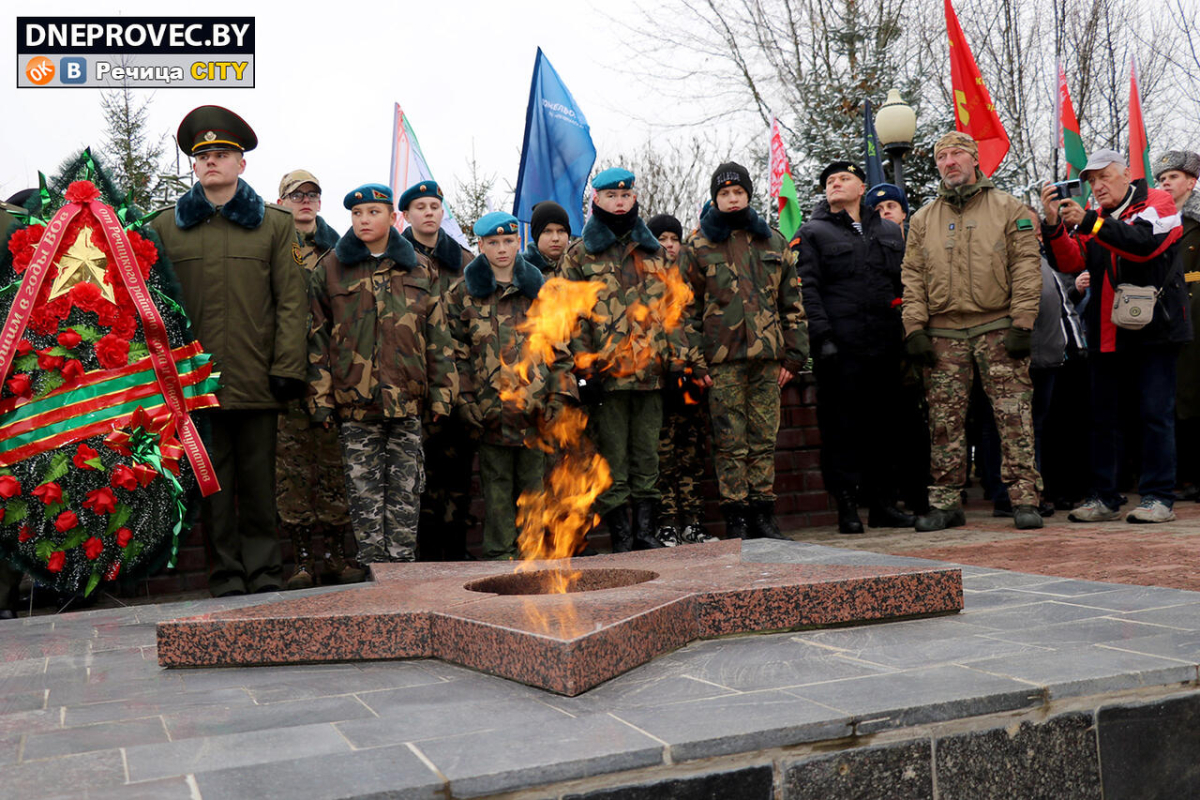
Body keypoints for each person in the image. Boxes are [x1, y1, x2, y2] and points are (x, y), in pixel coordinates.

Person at [150, 106, 308, 596]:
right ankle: (225, 575)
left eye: (222, 155)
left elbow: (291, 300)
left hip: (258, 376)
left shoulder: (275, 226)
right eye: (204, 157)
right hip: (195, 385)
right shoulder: (165, 227)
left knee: (259, 483)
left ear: (242, 164)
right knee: (211, 485)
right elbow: (157, 307)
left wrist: (287, 368)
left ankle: (263, 572)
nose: (212, 163)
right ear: (193, 166)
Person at [901, 131, 1044, 532]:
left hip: (998, 327)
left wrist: (1022, 322)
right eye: (942, 156)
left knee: (1013, 416)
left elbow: (1026, 269)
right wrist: (914, 328)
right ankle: (946, 503)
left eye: (957, 153)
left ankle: (1025, 499)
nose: (949, 162)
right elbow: (911, 277)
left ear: (974, 159)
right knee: (944, 422)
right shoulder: (923, 219)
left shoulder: (1007, 207)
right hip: (943, 334)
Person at [307, 184, 457, 563]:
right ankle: (374, 575)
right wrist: (320, 399)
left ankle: (402, 574)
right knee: (364, 496)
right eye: (357, 214)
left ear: (393, 218)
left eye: (373, 213)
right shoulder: (330, 269)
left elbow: (438, 336)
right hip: (355, 405)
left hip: (406, 402)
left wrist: (443, 394)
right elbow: (316, 339)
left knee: (406, 492)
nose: (364, 221)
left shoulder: (419, 268)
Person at [1041, 149, 1187, 523]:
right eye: (1092, 180)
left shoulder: (1158, 201)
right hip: (1106, 330)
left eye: (1105, 176)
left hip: (1155, 328)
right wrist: (1055, 224)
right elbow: (1071, 263)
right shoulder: (1097, 218)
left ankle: (1158, 497)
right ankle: (1104, 495)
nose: (1098, 186)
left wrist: (1090, 221)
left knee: (1155, 414)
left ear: (1127, 174)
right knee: (1103, 418)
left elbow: (1144, 246)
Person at [682, 162, 809, 539]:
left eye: (738, 192)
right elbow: (684, 309)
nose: (732, 199)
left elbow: (793, 304)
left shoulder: (772, 241)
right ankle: (737, 518)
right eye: (724, 194)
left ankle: (764, 516)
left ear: (749, 195)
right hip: (721, 363)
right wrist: (696, 361)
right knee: (730, 443)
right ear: (714, 198)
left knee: (764, 440)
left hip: (769, 361)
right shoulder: (698, 245)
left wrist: (794, 356)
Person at [559, 167, 682, 551]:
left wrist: (679, 364)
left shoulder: (655, 253)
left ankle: (645, 535)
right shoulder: (580, 254)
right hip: (606, 379)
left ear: (634, 198)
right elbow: (570, 317)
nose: (619, 202)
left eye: (625, 196)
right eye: (610, 196)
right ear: (596, 200)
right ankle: (622, 539)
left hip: (650, 375)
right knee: (611, 461)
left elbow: (676, 311)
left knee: (648, 458)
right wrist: (584, 369)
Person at [445, 211, 575, 559]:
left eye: (508, 241)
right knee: (497, 491)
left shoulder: (542, 292)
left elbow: (560, 350)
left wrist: (558, 397)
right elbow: (454, 354)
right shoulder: (462, 294)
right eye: (493, 242)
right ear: (481, 245)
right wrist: (466, 401)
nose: (502, 249)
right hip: (490, 414)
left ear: (518, 242)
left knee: (535, 490)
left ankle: (534, 560)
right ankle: (499, 560)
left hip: (535, 412)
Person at [797, 161, 913, 533]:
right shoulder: (813, 232)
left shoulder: (888, 230)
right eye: (829, 181)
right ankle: (846, 506)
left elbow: (904, 283)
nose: (835, 184)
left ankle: (883, 505)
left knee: (886, 428)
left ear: (862, 187)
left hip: (884, 343)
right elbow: (807, 289)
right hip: (840, 348)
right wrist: (823, 338)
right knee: (841, 430)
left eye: (844, 178)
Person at [273, 170, 362, 589]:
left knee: (334, 471)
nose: (305, 201)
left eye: (312, 195)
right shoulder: (273, 246)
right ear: (281, 201)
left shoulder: (341, 252)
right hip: (288, 376)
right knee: (292, 473)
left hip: (332, 376)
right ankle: (303, 562)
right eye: (296, 195)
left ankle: (336, 558)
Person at [398, 181, 476, 561]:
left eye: (435, 206)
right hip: (413, 382)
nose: (429, 213)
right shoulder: (395, 259)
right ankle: (427, 555)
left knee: (458, 474)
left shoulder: (464, 262)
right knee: (419, 477)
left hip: (458, 383)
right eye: (421, 207)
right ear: (407, 215)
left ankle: (457, 553)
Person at [647, 212, 717, 546]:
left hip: (691, 377)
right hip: (660, 381)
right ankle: (667, 523)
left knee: (690, 449)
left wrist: (697, 366)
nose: (670, 246)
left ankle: (693, 520)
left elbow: (700, 324)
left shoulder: (691, 276)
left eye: (674, 239)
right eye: (662, 239)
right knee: (663, 455)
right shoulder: (646, 280)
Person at [1155, 151, 1200, 498]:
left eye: (1172, 177)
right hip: (1169, 322)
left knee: (1193, 398)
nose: (1165, 184)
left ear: (1191, 181)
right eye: (1161, 179)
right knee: (1175, 400)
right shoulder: (1160, 221)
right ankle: (1183, 475)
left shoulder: (1196, 222)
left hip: (1195, 318)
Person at [524, 201, 572, 275]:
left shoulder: (582, 264)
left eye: (561, 231)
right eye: (547, 231)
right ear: (536, 236)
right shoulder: (520, 269)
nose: (555, 238)